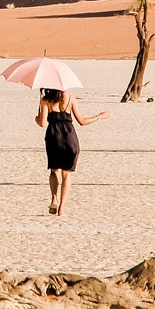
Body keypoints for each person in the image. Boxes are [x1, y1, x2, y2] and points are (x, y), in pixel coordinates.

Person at [35, 87, 106, 215]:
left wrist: (36, 118)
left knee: (54, 170)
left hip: (53, 137)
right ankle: (62, 208)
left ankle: (54, 199)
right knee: (67, 174)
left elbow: (42, 123)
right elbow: (82, 122)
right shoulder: (71, 99)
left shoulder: (46, 100)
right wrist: (99, 117)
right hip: (69, 138)